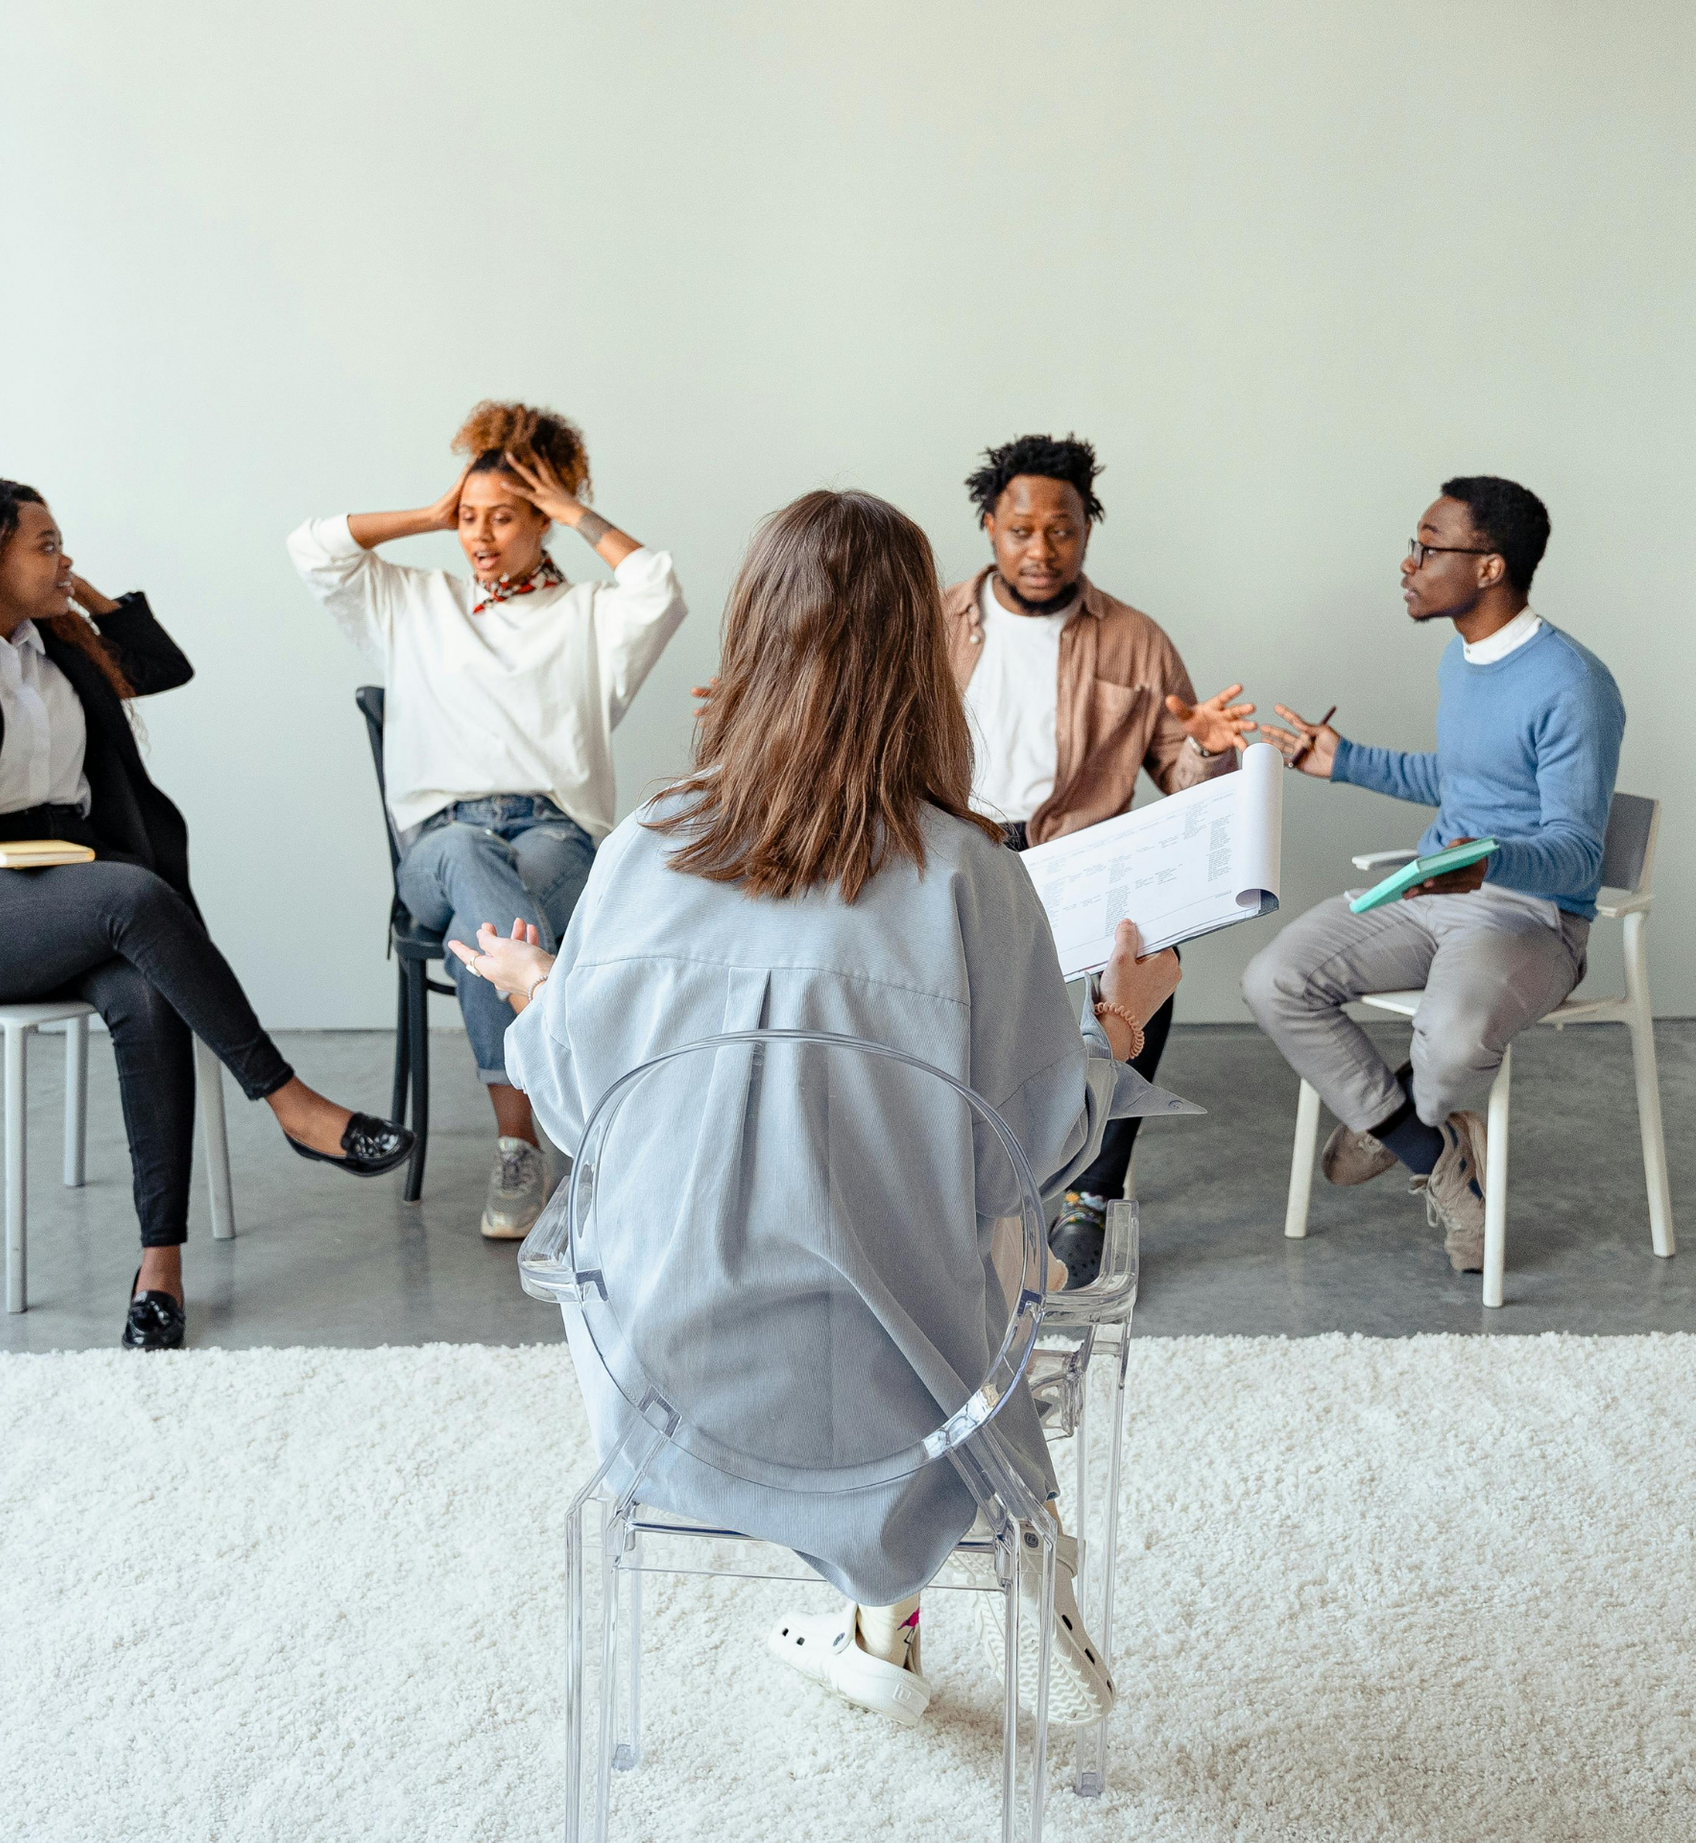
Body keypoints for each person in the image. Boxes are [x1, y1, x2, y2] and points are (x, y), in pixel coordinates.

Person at [451, 489, 1187, 1728]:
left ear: (752, 638)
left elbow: (584, 1107)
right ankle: (892, 1595)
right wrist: (1116, 1022)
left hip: (664, 1393)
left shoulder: (645, 847)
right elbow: (1030, 1149)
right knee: (950, 1239)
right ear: (922, 659)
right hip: (908, 1412)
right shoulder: (969, 876)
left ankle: (871, 1623)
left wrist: (545, 989)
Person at [0, 478, 416, 1351]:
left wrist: (84, 597)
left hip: (75, 887)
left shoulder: (57, 643)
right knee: (139, 895)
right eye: (47, 545)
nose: (64, 557)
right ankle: (291, 1102)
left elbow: (160, 668)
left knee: (146, 997)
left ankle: (160, 1268)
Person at [288, 402, 687, 1241]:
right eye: (466, 518)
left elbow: (658, 585)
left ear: (545, 519)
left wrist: (579, 510)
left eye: (503, 516)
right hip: (440, 842)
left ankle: (520, 1149)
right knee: (475, 864)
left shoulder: (591, 618)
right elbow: (313, 547)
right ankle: (563, 1132)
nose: (478, 535)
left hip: (556, 836)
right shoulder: (411, 602)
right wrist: (434, 512)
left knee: (500, 906)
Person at [1244, 476, 1625, 1272]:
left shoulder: (1573, 686)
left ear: (1489, 567)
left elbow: (1577, 853)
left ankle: (1399, 1112)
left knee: (1449, 1042)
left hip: (1531, 914)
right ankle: (1434, 1151)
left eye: (1427, 546)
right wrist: (1344, 761)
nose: (1408, 563)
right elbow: (1463, 779)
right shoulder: (1465, 657)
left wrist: (1488, 860)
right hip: (1430, 890)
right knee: (1275, 976)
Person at [944, 433, 1255, 1282]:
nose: (1041, 550)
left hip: (1081, 857)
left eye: (1063, 530)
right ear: (988, 526)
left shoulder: (1135, 641)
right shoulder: (932, 624)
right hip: (963, 853)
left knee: (1149, 955)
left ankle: (1091, 1192)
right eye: (1021, 530)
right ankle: (952, 1187)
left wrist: (1211, 750)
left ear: (1088, 529)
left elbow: (1184, 781)